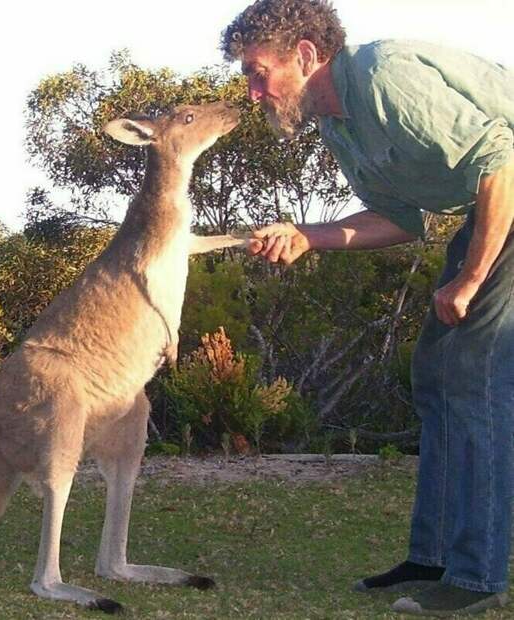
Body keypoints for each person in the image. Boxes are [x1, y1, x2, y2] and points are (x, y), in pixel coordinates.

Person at [221, 0, 514, 616]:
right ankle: (430, 556)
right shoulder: (337, 123)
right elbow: (399, 221)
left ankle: (477, 574)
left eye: (257, 72)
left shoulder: (383, 77)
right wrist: (306, 234)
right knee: (435, 376)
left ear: (304, 55)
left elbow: (500, 161)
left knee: (474, 378)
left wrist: (469, 279)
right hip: (493, 204)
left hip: (507, 192)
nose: (252, 91)